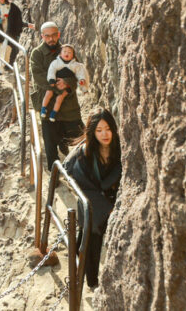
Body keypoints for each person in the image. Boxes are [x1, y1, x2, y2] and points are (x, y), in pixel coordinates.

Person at [64, 110, 121, 289]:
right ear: (92, 132)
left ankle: (79, 270)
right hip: (91, 200)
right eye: (99, 130)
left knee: (86, 237)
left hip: (108, 198)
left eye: (108, 129)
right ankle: (91, 281)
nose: (105, 134)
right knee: (91, 237)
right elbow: (80, 183)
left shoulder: (119, 148)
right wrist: (106, 207)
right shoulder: (84, 153)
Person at [30, 22, 84, 169]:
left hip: (69, 106)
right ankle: (54, 177)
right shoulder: (37, 53)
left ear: (58, 34)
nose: (51, 39)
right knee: (50, 146)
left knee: (81, 139)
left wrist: (67, 82)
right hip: (48, 107)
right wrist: (59, 87)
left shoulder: (67, 50)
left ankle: (81, 172)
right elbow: (38, 77)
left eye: (54, 35)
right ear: (42, 36)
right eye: (47, 36)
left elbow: (78, 72)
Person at [42, 44, 89, 121]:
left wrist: (82, 81)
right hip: (56, 82)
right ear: (60, 54)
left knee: (60, 98)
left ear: (73, 55)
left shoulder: (75, 65)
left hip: (67, 86)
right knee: (49, 92)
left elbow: (81, 74)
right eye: (65, 52)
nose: (67, 53)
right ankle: (43, 108)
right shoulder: (56, 62)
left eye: (69, 52)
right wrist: (51, 79)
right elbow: (51, 70)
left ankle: (53, 113)